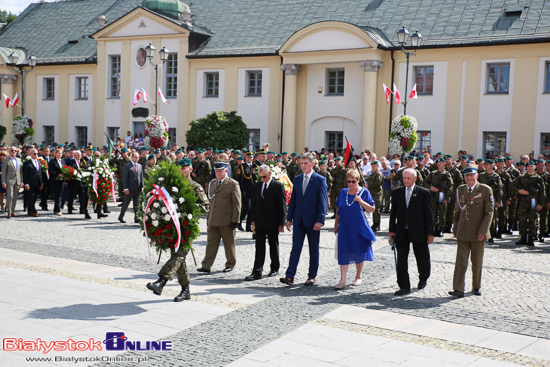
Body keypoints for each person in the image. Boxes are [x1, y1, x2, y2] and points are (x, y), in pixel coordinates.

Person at [147, 158, 210, 302]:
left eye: (184, 168)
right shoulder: (172, 185)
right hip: (173, 227)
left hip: (188, 227)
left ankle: (161, 281)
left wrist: (188, 209)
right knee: (179, 257)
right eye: (179, 168)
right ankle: (185, 290)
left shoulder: (195, 186)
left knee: (179, 254)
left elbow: (206, 206)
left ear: (190, 169)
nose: (182, 170)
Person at [280, 152, 328, 286]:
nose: (303, 165)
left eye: (305, 163)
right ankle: (290, 276)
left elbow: (322, 202)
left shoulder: (320, 180)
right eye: (301, 163)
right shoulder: (297, 178)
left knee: (313, 249)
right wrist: (289, 219)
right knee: (295, 248)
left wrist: (320, 220)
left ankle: (312, 276)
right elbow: (294, 200)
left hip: (313, 222)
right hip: (299, 220)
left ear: (313, 164)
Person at [449, 165, 494, 297]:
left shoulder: (485, 190)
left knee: (477, 261)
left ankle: (476, 286)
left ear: (476, 176)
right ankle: (458, 288)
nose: (469, 178)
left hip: (478, 232)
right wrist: (455, 227)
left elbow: (489, 213)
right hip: (463, 231)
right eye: (466, 176)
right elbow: (458, 210)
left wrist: (483, 231)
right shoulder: (461, 189)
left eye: (471, 175)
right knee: (460, 261)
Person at [389, 168, 434, 296]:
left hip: (419, 231)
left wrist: (430, 233)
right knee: (401, 259)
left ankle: (423, 277)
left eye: (409, 178)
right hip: (402, 231)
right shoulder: (397, 192)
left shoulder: (424, 193)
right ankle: (404, 286)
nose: (406, 180)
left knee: (422, 257)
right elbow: (393, 213)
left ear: (415, 179)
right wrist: (392, 230)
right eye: (404, 178)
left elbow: (429, 214)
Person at [333, 169, 376, 289]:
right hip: (345, 227)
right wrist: (336, 225)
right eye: (348, 181)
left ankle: (358, 276)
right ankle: (342, 280)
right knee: (344, 252)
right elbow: (338, 209)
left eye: (353, 181)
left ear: (358, 181)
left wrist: (361, 201)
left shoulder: (365, 192)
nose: (351, 184)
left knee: (359, 251)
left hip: (359, 228)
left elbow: (372, 209)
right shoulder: (343, 192)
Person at [197, 162, 242, 273]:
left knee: (229, 244)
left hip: (226, 220)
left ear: (225, 171)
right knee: (211, 243)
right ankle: (206, 265)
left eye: (220, 171)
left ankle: (230, 264)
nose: (218, 173)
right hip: (213, 219)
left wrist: (235, 220)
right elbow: (210, 202)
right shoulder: (212, 183)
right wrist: (208, 217)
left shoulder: (232, 184)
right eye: (216, 171)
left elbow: (237, 203)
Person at [245, 165, 286, 281]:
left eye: (264, 176)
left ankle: (274, 268)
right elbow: (254, 204)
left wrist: (281, 223)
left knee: (273, 245)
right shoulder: (257, 186)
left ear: (269, 174)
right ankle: (257, 272)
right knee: (259, 247)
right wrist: (253, 219)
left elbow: (282, 206)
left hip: (273, 222)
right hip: (259, 222)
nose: (262, 179)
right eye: (260, 177)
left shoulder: (278, 186)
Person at [118, 152, 144, 224]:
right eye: (135, 157)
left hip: (137, 188)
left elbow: (141, 177)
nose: (137, 159)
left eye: (138, 157)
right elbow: (125, 178)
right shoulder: (127, 166)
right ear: (132, 157)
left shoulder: (140, 166)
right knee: (126, 203)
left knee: (137, 204)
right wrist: (126, 188)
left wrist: (142, 186)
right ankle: (121, 216)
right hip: (130, 188)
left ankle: (137, 218)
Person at [2, 146, 23, 218]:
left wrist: (21, 181)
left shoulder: (19, 160)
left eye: (15, 151)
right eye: (12, 150)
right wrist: (3, 182)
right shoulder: (6, 160)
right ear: (9, 151)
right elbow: (4, 172)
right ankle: (9, 212)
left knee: (15, 196)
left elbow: (20, 172)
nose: (14, 152)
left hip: (17, 180)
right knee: (10, 196)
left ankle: (13, 211)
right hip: (9, 180)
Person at [366, 160, 384, 232]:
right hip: (371, 193)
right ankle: (374, 224)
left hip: (377, 194)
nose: (373, 167)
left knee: (376, 209)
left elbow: (378, 183)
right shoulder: (372, 174)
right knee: (373, 209)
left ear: (377, 166)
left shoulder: (378, 174)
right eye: (372, 166)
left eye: (374, 166)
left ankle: (377, 224)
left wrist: (368, 186)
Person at [48, 148, 65, 216]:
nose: (60, 154)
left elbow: (65, 168)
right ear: (55, 154)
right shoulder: (52, 161)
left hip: (61, 180)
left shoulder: (63, 161)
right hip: (55, 180)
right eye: (58, 153)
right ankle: (58, 210)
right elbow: (51, 170)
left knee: (59, 195)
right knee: (57, 194)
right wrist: (58, 174)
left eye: (61, 153)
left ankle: (56, 209)